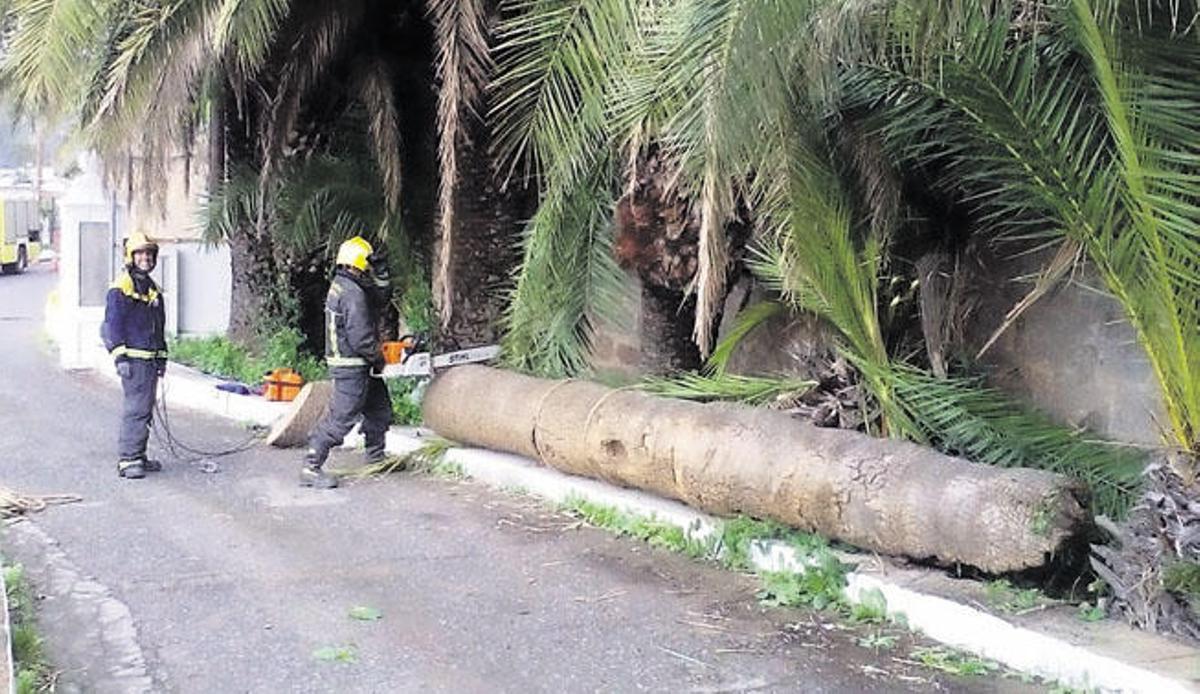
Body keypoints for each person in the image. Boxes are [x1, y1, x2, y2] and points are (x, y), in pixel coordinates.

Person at [300, 235, 393, 488]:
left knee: (379, 410)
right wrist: (379, 358)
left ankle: (375, 457)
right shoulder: (352, 293)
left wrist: (382, 274)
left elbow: (380, 298)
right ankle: (311, 467)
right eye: (368, 267)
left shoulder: (345, 285)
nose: (369, 272)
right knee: (340, 419)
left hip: (358, 365)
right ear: (361, 265)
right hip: (352, 367)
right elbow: (360, 336)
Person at [101, 230, 168, 479]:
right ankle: (128, 460)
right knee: (136, 409)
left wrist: (161, 357)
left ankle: (138, 455)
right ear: (130, 256)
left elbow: (159, 328)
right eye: (140, 254)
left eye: (149, 254)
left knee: (145, 409)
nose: (145, 258)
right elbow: (111, 325)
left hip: (149, 361)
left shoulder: (152, 290)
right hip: (134, 361)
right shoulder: (121, 287)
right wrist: (119, 357)